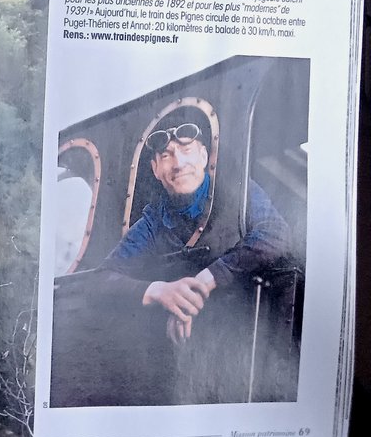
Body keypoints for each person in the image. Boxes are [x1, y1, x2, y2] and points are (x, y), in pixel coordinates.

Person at [96, 112, 291, 348]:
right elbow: (102, 278)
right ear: (155, 169)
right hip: (190, 346)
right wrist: (159, 291)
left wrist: (205, 281)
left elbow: (275, 233)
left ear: (204, 156)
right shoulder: (152, 220)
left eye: (186, 150)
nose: (178, 164)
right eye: (166, 155)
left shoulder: (237, 191)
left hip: (251, 334)